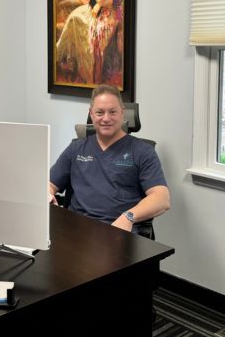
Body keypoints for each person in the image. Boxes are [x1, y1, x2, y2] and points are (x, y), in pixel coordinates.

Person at [48, 84, 170, 238]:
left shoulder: (142, 151)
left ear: (122, 113)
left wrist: (129, 217)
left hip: (117, 232)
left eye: (112, 112)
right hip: (75, 230)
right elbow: (50, 184)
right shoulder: (76, 148)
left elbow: (162, 198)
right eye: (100, 112)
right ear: (91, 114)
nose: (106, 118)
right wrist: (48, 193)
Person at [55, 0, 119, 85]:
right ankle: (65, 57)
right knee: (74, 18)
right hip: (91, 10)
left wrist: (100, 2)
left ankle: (95, 73)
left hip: (105, 13)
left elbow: (110, 1)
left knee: (97, 33)